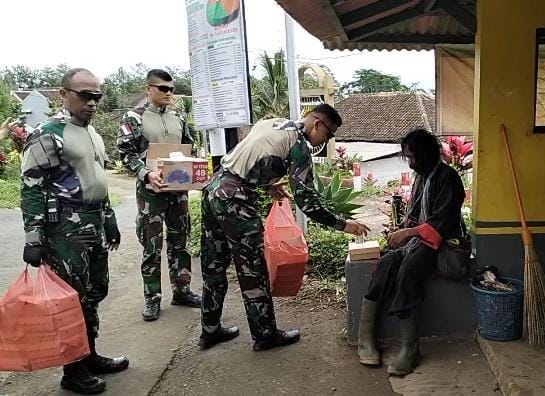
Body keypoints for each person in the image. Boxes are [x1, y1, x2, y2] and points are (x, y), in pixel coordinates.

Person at [199, 103, 370, 351]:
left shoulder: (274, 123)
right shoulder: (299, 145)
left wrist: (267, 184)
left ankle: (209, 330)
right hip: (233, 200)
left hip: (214, 189)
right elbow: (307, 202)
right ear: (317, 124)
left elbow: (248, 159)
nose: (326, 140)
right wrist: (344, 225)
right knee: (253, 270)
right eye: (328, 134)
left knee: (214, 265)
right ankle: (265, 335)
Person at [21, 68, 127, 394]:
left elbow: (98, 180)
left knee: (96, 291)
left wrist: (109, 220)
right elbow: (31, 186)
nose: (92, 102)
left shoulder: (92, 133)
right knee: (71, 299)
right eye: (85, 95)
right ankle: (72, 370)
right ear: (63, 94)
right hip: (64, 228)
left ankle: (89, 354)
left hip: (92, 220)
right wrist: (34, 237)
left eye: (97, 95)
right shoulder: (48, 133)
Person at [356, 128, 465, 376]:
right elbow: (415, 216)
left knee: (407, 271)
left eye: (413, 157)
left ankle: (410, 347)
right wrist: (400, 233)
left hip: (442, 243)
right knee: (384, 266)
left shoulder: (448, 178)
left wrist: (408, 234)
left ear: (425, 154)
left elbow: (442, 224)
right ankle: (366, 340)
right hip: (419, 240)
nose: (411, 162)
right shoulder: (422, 179)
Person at [117, 69, 200, 322]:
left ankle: (182, 290)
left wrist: (192, 168)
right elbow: (125, 153)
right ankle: (152, 298)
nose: (168, 93)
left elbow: (189, 145)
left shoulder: (178, 117)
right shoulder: (134, 118)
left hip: (177, 191)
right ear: (148, 89)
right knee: (152, 246)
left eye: (171, 89)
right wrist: (144, 173)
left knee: (180, 241)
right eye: (162, 88)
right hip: (150, 191)